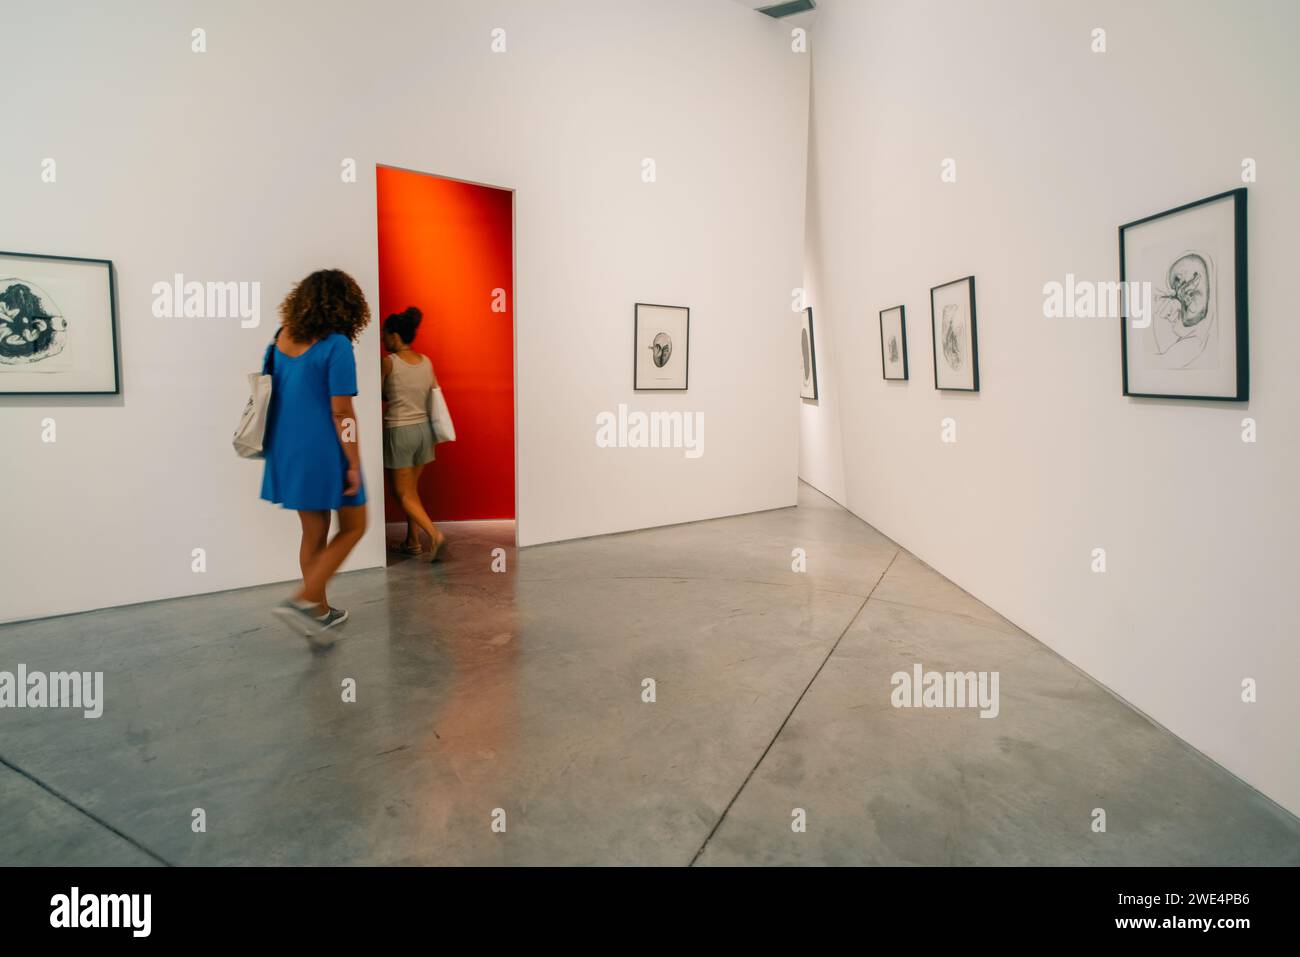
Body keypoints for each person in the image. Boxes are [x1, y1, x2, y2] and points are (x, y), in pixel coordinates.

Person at [261, 269, 370, 644]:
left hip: (286, 450)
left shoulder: (279, 340)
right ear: (347, 306)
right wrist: (353, 461)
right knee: (355, 525)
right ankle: (304, 599)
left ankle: (319, 613)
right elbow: (342, 413)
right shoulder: (336, 344)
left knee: (313, 531)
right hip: (324, 451)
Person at [380, 306, 445, 561]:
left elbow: (381, 394)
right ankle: (413, 541)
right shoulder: (426, 361)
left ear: (395, 336)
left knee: (402, 493)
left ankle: (434, 536)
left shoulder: (389, 362)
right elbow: (433, 391)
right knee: (412, 490)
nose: (383, 339)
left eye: (385, 334)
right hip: (424, 432)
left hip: (400, 431)